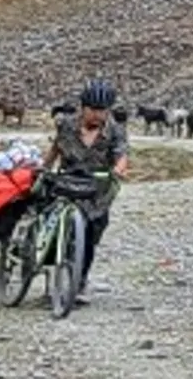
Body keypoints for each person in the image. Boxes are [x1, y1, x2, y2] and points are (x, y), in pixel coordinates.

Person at [45, 81, 133, 285]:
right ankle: (50, 272)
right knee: (52, 223)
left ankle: (80, 279)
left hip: (96, 187)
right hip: (67, 182)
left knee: (92, 231)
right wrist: (44, 167)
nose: (97, 115)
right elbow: (56, 148)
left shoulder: (115, 130)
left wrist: (118, 170)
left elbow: (122, 154)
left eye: (102, 110)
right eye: (92, 109)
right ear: (83, 107)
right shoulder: (66, 124)